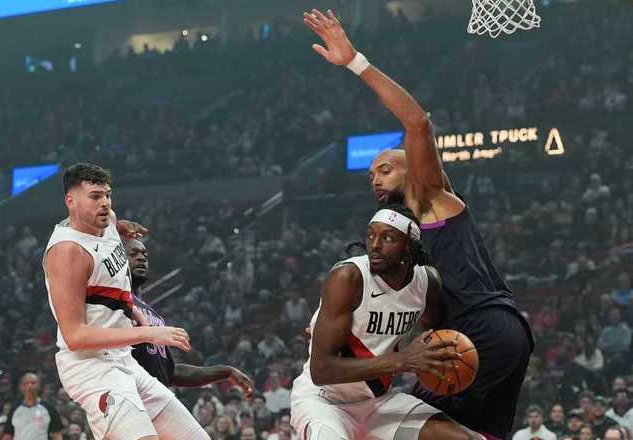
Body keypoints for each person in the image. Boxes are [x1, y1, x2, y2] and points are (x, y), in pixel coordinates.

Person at [303, 9, 533, 439]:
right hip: (503, 331)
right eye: (371, 174)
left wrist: (355, 62)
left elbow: (417, 122)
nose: (375, 179)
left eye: (386, 169)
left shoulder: (428, 197)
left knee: (398, 429)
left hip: (476, 328)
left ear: (414, 169)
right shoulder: (407, 227)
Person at [290, 203, 484, 440]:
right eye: (371, 235)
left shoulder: (427, 284)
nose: (375, 245)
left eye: (388, 238)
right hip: (324, 401)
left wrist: (439, 364)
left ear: (409, 247)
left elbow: (433, 336)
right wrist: (402, 360)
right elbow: (321, 371)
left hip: (378, 403)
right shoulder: (349, 277)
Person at [42, 162, 205, 440]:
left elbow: (114, 280)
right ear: (70, 201)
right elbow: (75, 336)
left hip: (123, 359)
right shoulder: (68, 252)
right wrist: (149, 332)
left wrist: (120, 226)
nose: (105, 203)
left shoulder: (107, 222)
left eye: (107, 195)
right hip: (90, 367)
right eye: (95, 197)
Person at [124, 238, 254, 392]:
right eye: (133, 254)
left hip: (154, 396)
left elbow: (171, 372)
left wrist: (226, 371)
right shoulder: (115, 301)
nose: (141, 258)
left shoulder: (153, 314)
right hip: (127, 392)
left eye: (145, 255)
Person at [1, 373, 62, 440]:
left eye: (33, 383)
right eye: (26, 383)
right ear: (21, 387)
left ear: (39, 386)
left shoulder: (49, 409)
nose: (30, 386)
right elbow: (8, 435)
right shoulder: (14, 410)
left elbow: (57, 435)